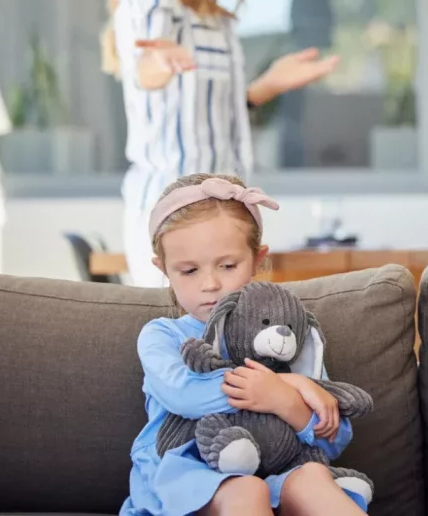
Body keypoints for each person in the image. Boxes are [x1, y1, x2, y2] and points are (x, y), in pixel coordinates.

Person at [101, 0, 339, 287]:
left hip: (223, 218)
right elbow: (145, 70)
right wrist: (159, 60)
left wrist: (264, 88)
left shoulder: (212, 10)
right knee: (182, 347)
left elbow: (206, 111)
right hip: (171, 220)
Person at [120, 172, 370, 516]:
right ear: (163, 268)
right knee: (246, 490)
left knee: (313, 476)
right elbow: (186, 394)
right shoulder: (163, 335)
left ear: (258, 258)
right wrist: (288, 384)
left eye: (227, 265)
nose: (209, 283)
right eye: (189, 271)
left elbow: (333, 439)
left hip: (273, 471)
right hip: (186, 479)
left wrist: (287, 402)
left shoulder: (284, 333)